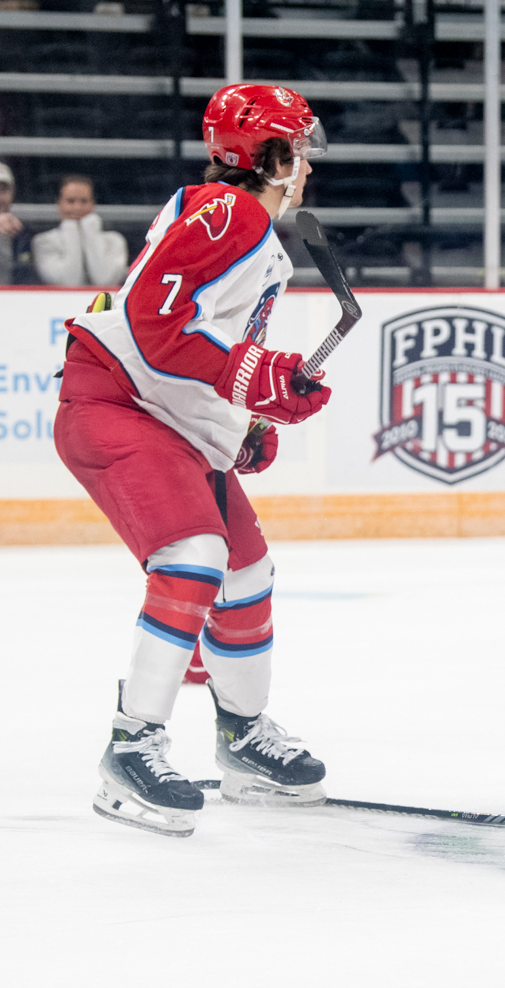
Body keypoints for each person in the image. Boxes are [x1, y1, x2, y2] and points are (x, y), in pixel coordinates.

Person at [55, 83, 334, 837]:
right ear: (268, 156)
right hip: (117, 407)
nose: (305, 164)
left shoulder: (242, 226)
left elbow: (190, 339)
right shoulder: (230, 210)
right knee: (193, 554)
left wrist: (242, 419)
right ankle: (132, 743)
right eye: (297, 149)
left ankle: (242, 736)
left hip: (164, 416)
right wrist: (258, 376)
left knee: (246, 573)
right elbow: (153, 325)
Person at [33, 174, 131, 288]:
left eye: (84, 201)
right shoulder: (43, 241)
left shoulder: (115, 240)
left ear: (93, 204)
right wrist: (70, 228)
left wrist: (90, 230)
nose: (77, 207)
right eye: (70, 201)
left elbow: (105, 280)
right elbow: (69, 282)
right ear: (59, 203)